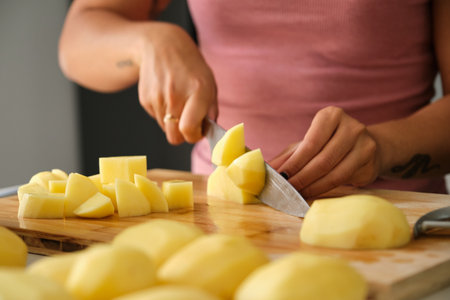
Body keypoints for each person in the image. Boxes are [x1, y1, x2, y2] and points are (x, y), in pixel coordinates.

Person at [58, 0, 450, 199]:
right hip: (223, 219)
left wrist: (381, 148)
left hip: (394, 223)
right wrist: (147, 42)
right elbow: (79, 37)